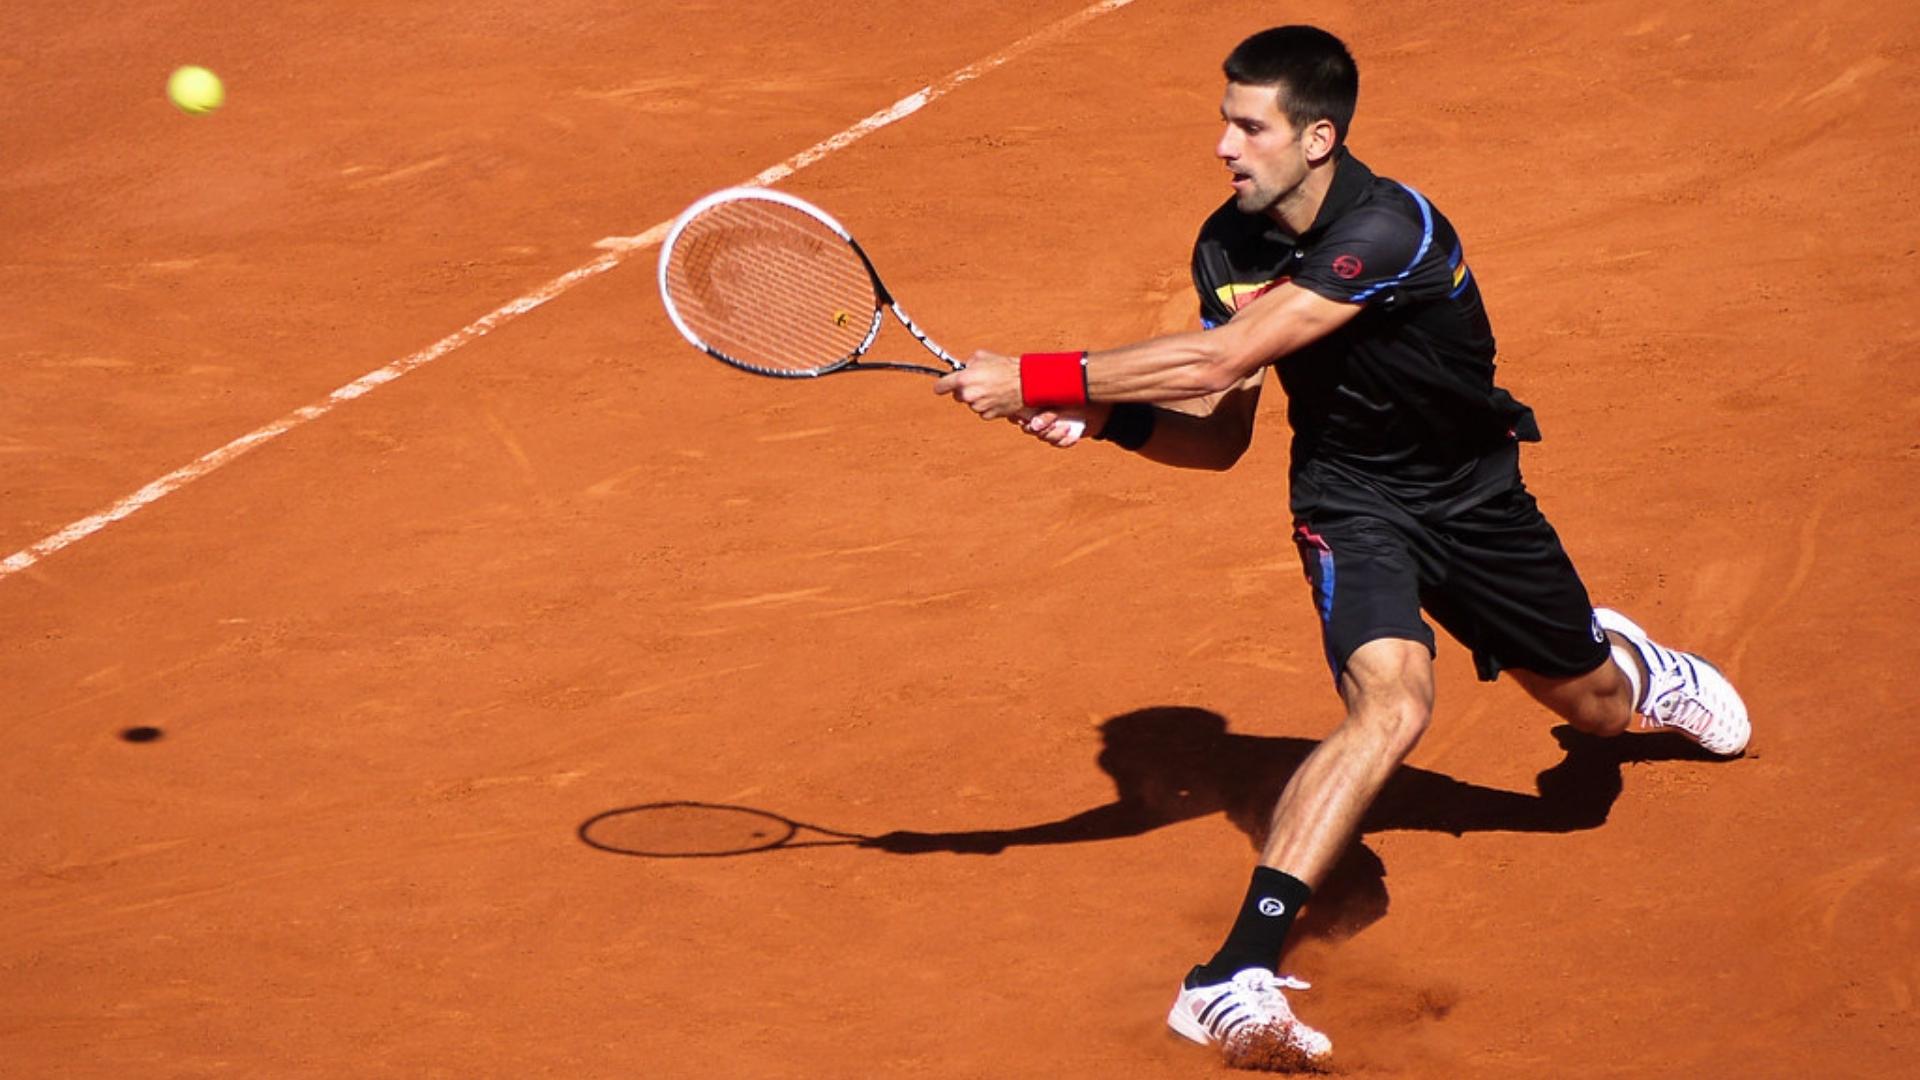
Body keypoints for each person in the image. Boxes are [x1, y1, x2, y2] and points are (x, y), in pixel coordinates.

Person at [932, 24, 1750, 1070]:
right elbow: (1221, 434)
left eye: (1249, 125)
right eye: (1225, 119)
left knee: (1594, 712)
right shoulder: (1228, 246)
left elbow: (1225, 353)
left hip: (1477, 501)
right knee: (1394, 702)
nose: (1225, 145)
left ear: (1317, 137)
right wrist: (1107, 423)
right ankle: (1232, 977)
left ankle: (1634, 664)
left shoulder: (1389, 227)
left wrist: (1040, 377)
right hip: (1351, 504)